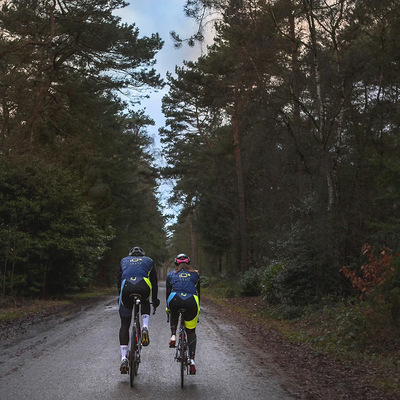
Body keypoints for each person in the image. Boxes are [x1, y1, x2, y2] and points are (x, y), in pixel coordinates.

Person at [118, 246, 160, 374]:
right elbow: (154, 282)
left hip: (126, 287)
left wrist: (119, 297)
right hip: (143, 286)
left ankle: (124, 357)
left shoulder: (123, 261)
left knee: (125, 324)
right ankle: (144, 327)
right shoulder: (149, 260)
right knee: (145, 300)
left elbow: (118, 280)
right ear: (142, 256)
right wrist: (155, 299)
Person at [166, 253, 200, 375]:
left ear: (176, 264)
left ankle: (173, 336)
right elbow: (198, 293)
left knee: (174, 313)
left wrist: (167, 309)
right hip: (191, 301)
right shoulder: (195, 274)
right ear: (188, 263)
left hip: (175, 299)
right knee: (191, 331)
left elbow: (168, 293)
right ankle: (192, 361)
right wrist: (197, 312)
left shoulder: (171, 274)